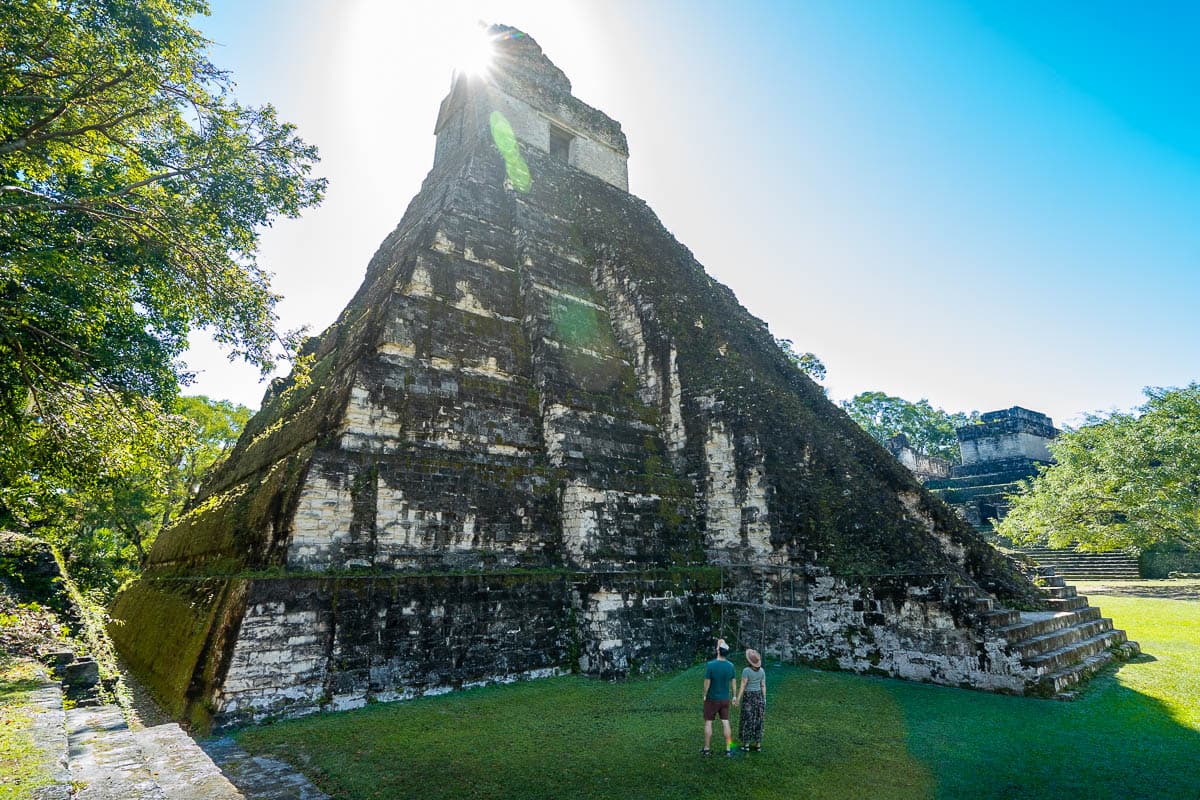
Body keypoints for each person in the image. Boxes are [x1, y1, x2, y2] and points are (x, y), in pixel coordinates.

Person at [700, 638, 737, 757]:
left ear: (718, 651)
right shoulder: (731, 666)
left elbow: (707, 683)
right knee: (725, 723)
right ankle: (728, 750)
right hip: (725, 699)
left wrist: (705, 694)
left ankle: (706, 749)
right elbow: (734, 683)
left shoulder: (711, 665)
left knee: (708, 723)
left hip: (712, 699)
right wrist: (734, 696)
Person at [734, 648, 767, 752]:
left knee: (747, 719)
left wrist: (738, 699)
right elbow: (763, 685)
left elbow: (743, 685)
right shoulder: (762, 671)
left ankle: (746, 745)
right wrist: (764, 698)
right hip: (759, 696)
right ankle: (758, 745)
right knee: (758, 719)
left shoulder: (746, 671)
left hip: (748, 697)